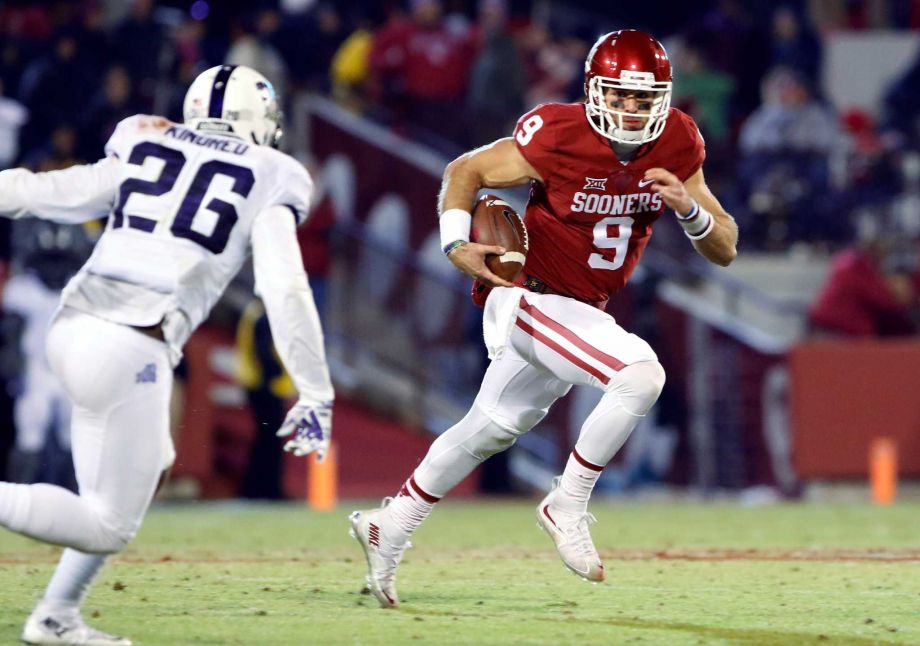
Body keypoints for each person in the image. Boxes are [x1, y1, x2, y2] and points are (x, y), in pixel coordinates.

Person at [350, 30, 738, 608]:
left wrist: (686, 209)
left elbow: (726, 246)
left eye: (643, 98)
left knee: (491, 427)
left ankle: (391, 522)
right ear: (593, 90)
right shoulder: (559, 132)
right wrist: (456, 244)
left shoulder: (679, 142)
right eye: (620, 95)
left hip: (579, 313)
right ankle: (568, 502)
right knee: (641, 373)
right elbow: (466, 170)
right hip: (525, 296)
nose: (631, 110)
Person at [0, 64, 334, 645]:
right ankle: (53, 617)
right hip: (131, 344)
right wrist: (315, 389)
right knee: (107, 525)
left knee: (151, 463)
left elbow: (52, 193)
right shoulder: (273, 171)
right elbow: (284, 287)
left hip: (74, 326)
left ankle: (56, 617)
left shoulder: (146, 136)